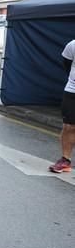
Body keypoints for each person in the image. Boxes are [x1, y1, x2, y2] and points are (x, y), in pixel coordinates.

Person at [48, 39, 75, 173]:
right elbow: (67, 64)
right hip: (72, 91)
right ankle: (65, 160)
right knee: (68, 127)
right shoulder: (72, 45)